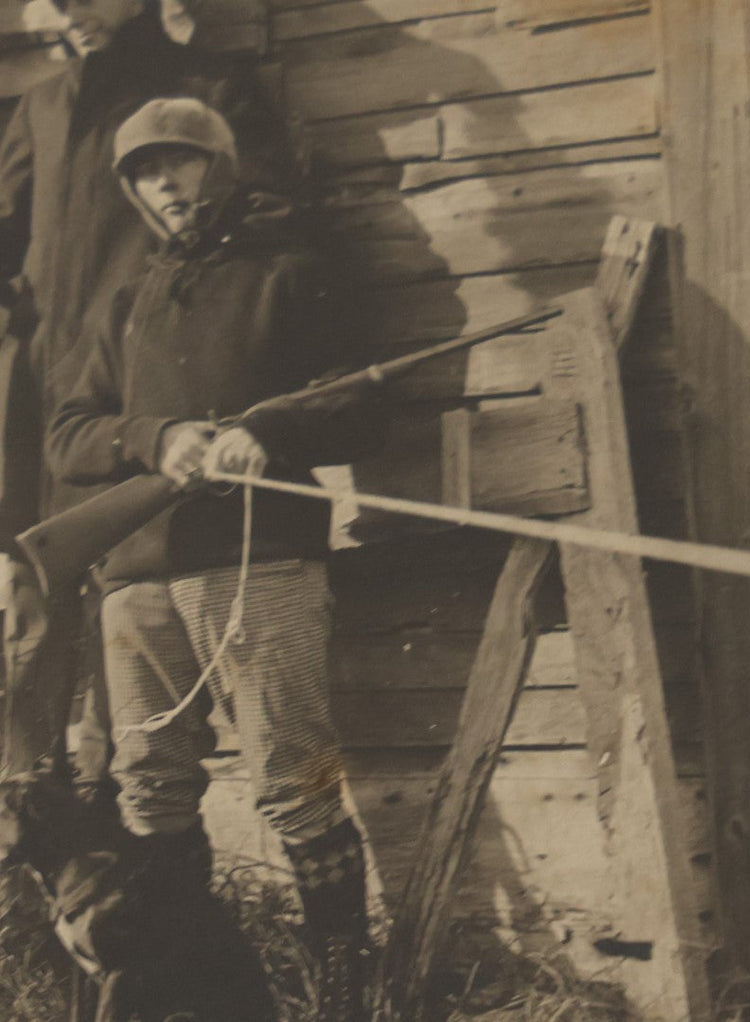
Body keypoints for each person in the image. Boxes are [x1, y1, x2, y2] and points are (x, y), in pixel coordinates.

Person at [46, 97, 381, 1021]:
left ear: (223, 167)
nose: (167, 184)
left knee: (296, 783)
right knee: (150, 793)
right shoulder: (124, 305)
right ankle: (184, 997)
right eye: (147, 172)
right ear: (130, 191)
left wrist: (267, 430)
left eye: (183, 164)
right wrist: (153, 438)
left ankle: (343, 1001)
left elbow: (363, 394)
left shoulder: (292, 271)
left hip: (259, 562)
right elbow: (68, 435)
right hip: (136, 581)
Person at [0, 0, 298, 788]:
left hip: (152, 405)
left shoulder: (206, 89)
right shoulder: (41, 105)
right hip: (52, 412)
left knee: (133, 645)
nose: (66, 9)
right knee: (33, 622)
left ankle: (141, 873)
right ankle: (46, 859)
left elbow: (262, 237)